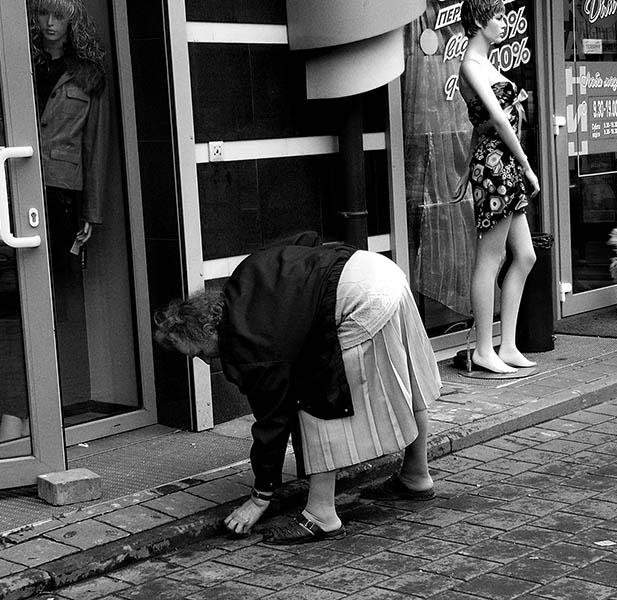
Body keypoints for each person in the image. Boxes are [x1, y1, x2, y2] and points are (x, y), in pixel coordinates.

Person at [153, 232, 441, 544]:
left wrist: (260, 496)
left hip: (361, 299)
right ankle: (416, 475)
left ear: (210, 329)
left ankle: (321, 516)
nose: (202, 360)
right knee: (406, 381)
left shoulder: (247, 343)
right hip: (380, 271)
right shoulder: (245, 279)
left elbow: (272, 420)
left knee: (316, 396)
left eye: (198, 352)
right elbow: (307, 238)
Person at [453, 0, 541, 374]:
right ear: (478, 20)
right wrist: (527, 166)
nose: (504, 23)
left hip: (500, 164)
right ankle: (483, 350)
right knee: (491, 257)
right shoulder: (471, 66)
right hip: (496, 167)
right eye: (498, 16)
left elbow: (483, 125)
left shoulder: (485, 64)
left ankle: (507, 345)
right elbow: (499, 121)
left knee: (525, 255)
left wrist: (466, 171)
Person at [29, 0, 108, 274]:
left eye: (59, 16)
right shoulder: (22, 63)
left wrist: (91, 211)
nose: (50, 23)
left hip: (62, 189)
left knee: (55, 270)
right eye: (44, 14)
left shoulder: (88, 74)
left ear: (72, 21)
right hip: (17, 176)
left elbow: (95, 146)